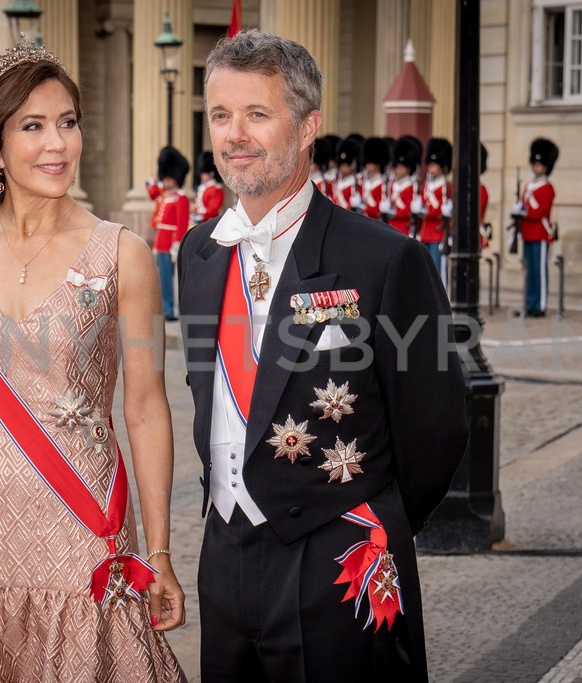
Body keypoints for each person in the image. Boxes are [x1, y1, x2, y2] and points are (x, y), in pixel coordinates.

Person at [178, 29, 469, 682]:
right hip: (223, 554)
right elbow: (208, 395)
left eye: (257, 113)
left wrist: (367, 518)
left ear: (308, 126)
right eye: (220, 114)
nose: (234, 135)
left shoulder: (384, 260)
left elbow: (435, 428)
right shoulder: (198, 252)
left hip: (334, 557)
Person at [0, 38, 186, 682]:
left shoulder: (123, 254)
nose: (59, 144)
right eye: (33, 126)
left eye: (68, 122)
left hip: (84, 525)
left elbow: (144, 409)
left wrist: (160, 551)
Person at [512, 137, 558, 317]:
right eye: (535, 163)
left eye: (540, 164)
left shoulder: (547, 187)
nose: (536, 167)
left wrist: (525, 211)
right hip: (528, 233)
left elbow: (542, 211)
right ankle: (529, 304)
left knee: (539, 272)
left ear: (546, 167)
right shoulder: (529, 185)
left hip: (540, 233)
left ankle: (540, 305)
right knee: (529, 271)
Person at [147, 146, 190, 321]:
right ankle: (165, 308)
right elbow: (152, 193)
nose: (166, 180)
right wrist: (155, 179)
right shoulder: (165, 195)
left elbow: (182, 222)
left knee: (169, 279)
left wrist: (177, 243)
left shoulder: (181, 197)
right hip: (160, 242)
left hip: (170, 243)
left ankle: (170, 309)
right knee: (161, 278)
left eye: (169, 177)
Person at [416, 137, 453, 275]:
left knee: (438, 272)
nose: (431, 167)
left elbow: (440, 212)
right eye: (430, 163)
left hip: (438, 234)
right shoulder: (426, 186)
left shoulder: (446, 186)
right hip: (424, 233)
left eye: (435, 164)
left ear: (442, 165)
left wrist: (426, 211)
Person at [386, 135, 421, 236]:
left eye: (402, 167)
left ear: (409, 168)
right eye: (398, 166)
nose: (399, 170)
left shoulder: (412, 186)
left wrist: (395, 211)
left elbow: (408, 211)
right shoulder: (391, 186)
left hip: (405, 229)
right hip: (391, 227)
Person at [360, 137, 391, 221]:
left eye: (371, 163)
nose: (368, 166)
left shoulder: (383, 184)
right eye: (367, 163)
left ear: (378, 164)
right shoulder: (363, 183)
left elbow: (378, 209)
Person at [192, 150, 226, 227]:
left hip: (210, 223)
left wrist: (200, 215)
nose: (201, 175)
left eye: (204, 173)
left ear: (211, 173)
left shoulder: (217, 190)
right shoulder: (203, 188)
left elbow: (213, 210)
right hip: (200, 221)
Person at [331, 138, 364, 212]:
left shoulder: (359, 183)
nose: (343, 168)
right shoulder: (335, 182)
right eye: (342, 164)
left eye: (346, 165)